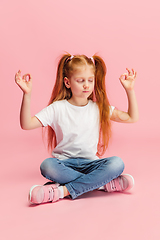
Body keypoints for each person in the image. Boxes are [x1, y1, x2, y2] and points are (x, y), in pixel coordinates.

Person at [15, 54, 139, 205]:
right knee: (47, 166)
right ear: (67, 82)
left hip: (92, 164)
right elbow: (26, 124)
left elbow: (132, 118)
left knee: (117, 163)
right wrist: (26, 94)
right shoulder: (57, 108)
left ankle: (61, 191)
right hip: (65, 164)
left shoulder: (99, 108)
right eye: (80, 81)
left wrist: (130, 90)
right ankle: (101, 184)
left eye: (90, 80)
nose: (86, 85)